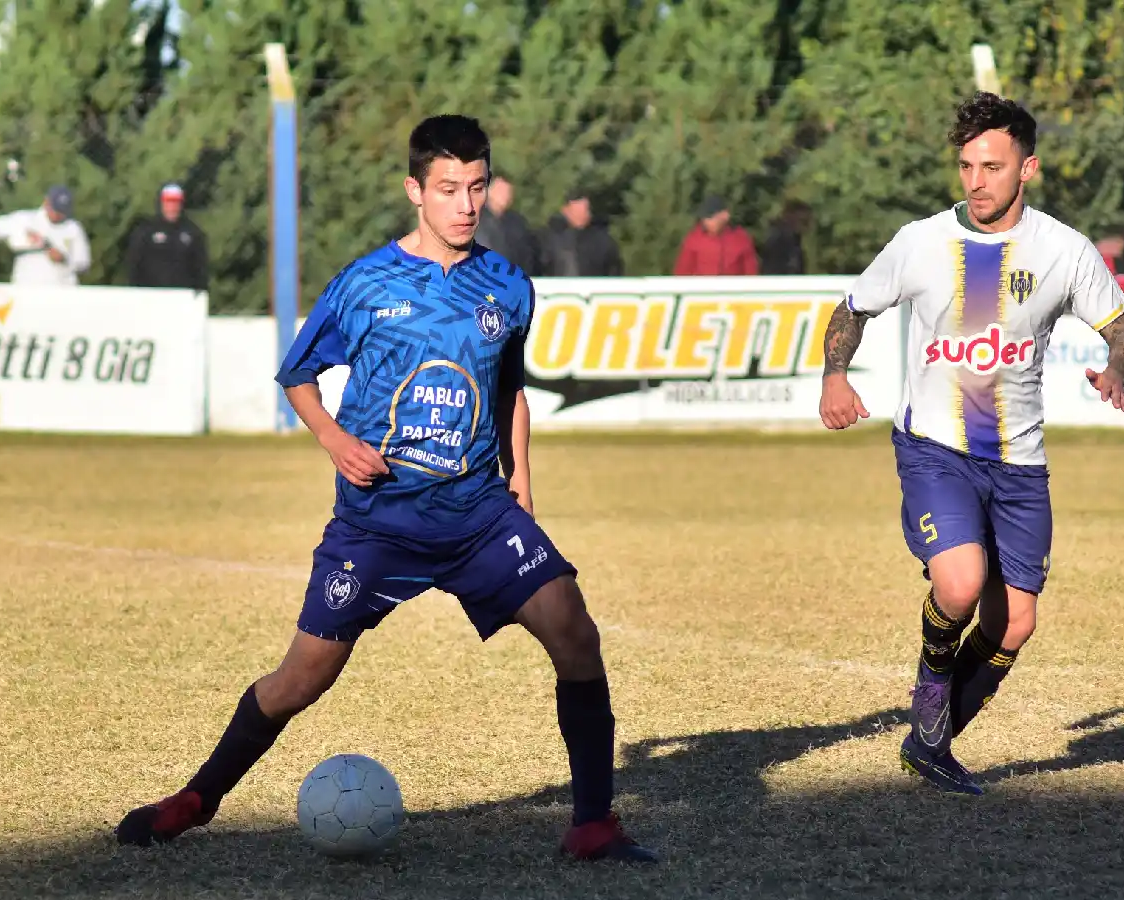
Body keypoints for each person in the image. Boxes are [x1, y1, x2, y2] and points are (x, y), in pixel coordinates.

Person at [114, 114, 658, 865]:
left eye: (476, 186)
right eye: (447, 189)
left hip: (476, 513)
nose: (465, 204)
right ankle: (198, 797)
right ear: (415, 191)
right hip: (377, 524)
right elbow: (297, 377)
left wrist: (521, 478)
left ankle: (593, 822)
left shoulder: (507, 283)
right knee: (301, 679)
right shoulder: (365, 283)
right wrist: (338, 443)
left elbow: (510, 389)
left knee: (574, 629)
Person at [817, 92, 1124, 794]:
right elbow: (851, 307)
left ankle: (929, 745)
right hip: (934, 449)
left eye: (992, 166)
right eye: (966, 165)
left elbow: (1119, 324)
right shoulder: (920, 242)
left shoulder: (1063, 250)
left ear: (1029, 169)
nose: (976, 180)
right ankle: (929, 717)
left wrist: (1117, 365)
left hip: (1020, 464)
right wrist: (835, 375)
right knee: (957, 583)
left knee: (1015, 622)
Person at [0, 185, 91, 286]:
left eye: (62, 212)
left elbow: (83, 263)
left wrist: (63, 259)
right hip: (27, 289)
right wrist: (23, 234)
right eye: (55, 210)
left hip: (61, 291)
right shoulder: (26, 219)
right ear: (46, 202)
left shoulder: (73, 228)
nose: (58, 215)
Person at [125, 182, 210, 291]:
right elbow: (134, 265)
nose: (172, 206)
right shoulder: (146, 232)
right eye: (169, 202)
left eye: (176, 202)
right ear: (162, 203)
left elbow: (201, 268)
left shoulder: (192, 233)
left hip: (182, 298)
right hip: (151, 297)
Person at [672, 195, 758, 276]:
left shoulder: (741, 238)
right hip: (703, 290)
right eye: (705, 219)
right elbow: (682, 272)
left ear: (725, 215)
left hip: (732, 290)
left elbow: (751, 272)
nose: (707, 222)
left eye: (711, 218)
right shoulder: (694, 239)